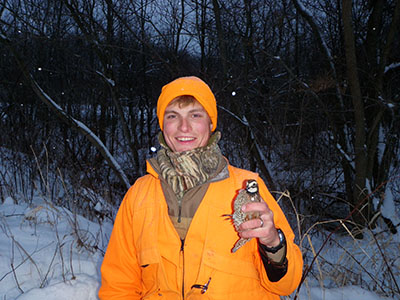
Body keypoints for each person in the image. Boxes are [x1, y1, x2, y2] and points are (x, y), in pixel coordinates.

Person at [99, 76, 303, 299]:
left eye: (195, 115)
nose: (183, 126)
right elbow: (118, 287)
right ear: (162, 124)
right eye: (172, 116)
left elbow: (286, 286)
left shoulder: (246, 187)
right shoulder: (139, 195)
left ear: (211, 122)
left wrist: (273, 244)